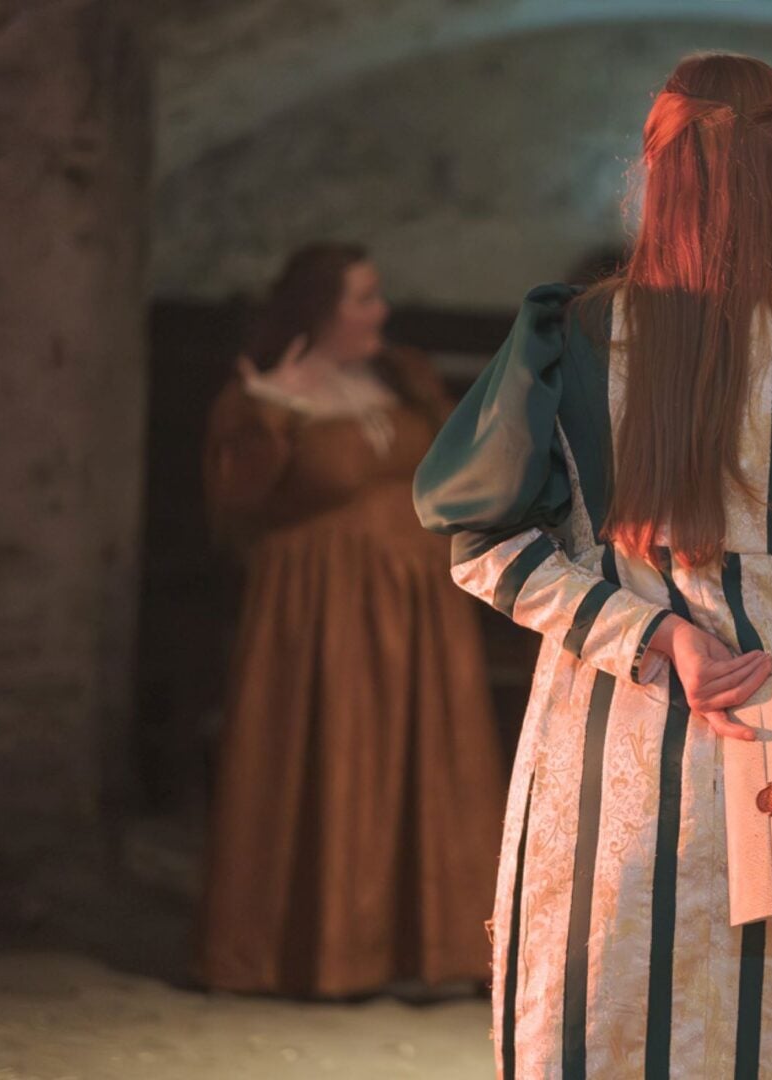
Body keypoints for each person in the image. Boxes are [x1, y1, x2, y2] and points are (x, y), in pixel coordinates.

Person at [413, 52, 772, 1078]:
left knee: (603, 1016)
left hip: (605, 741)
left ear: (655, 169)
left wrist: (648, 632)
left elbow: (484, 544)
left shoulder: (570, 338)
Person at [198, 243, 505, 998]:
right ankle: (325, 952)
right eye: (363, 298)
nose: (380, 311)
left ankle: (441, 949)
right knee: (335, 759)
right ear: (319, 310)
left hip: (421, 607)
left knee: (435, 762)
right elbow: (237, 509)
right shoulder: (263, 401)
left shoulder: (401, 377)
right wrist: (271, 409)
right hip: (320, 613)